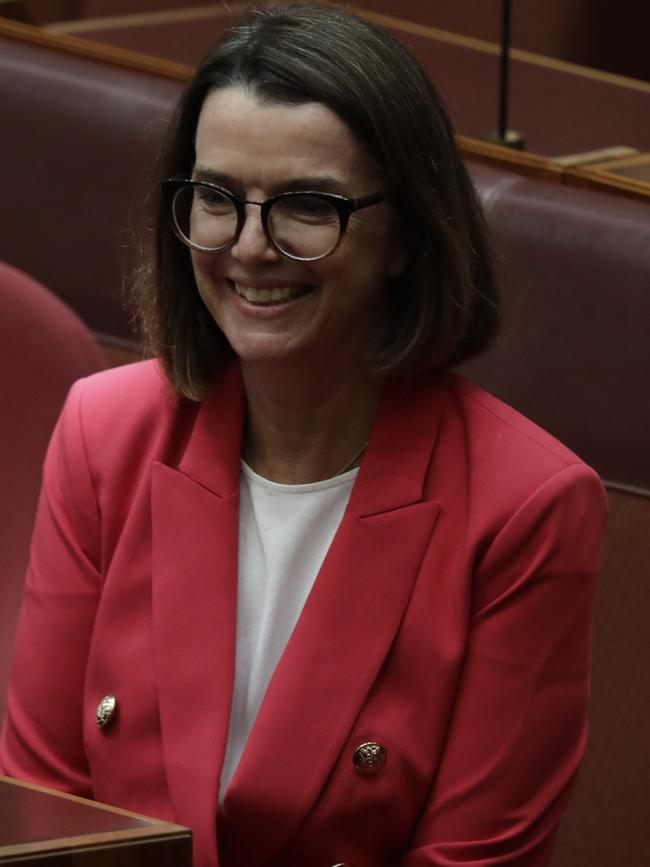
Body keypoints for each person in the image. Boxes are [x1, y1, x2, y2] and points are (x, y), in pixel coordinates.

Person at [0, 5, 607, 866]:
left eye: (305, 206)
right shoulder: (108, 432)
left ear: (405, 234)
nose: (249, 248)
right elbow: (46, 813)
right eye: (216, 199)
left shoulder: (525, 506)